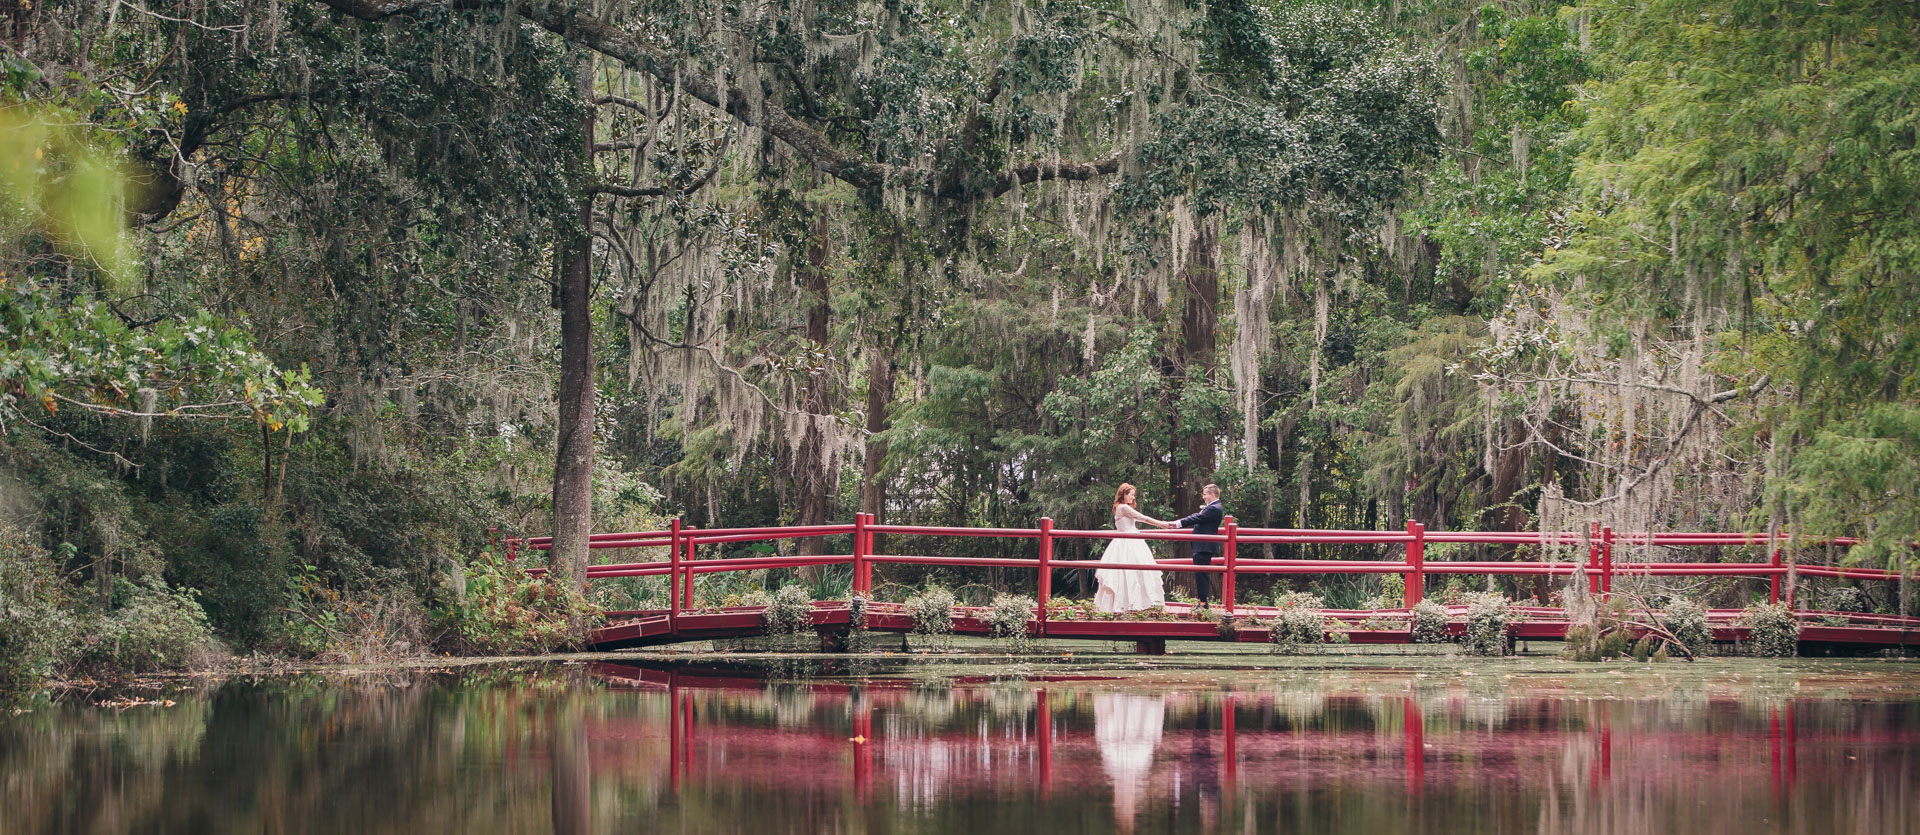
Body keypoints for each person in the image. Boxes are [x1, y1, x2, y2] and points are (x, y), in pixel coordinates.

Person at [1095, 483, 1172, 613]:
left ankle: (1139, 602)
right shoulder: (1123, 507)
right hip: (1127, 543)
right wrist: (1162, 524)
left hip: (1131, 540)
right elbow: (1142, 518)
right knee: (1127, 573)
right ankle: (1128, 604)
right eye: (1131, 494)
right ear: (1124, 494)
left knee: (1137, 572)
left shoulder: (1121, 507)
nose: (1133, 497)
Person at [1174, 484, 1225, 606]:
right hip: (1202, 545)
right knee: (1200, 574)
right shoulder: (1213, 506)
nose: (1203, 497)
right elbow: (1196, 516)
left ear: (1212, 495)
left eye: (1205, 494)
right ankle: (1202, 602)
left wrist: (1178, 523)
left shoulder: (1214, 508)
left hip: (1204, 545)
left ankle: (1203, 603)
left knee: (1202, 574)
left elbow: (1198, 518)